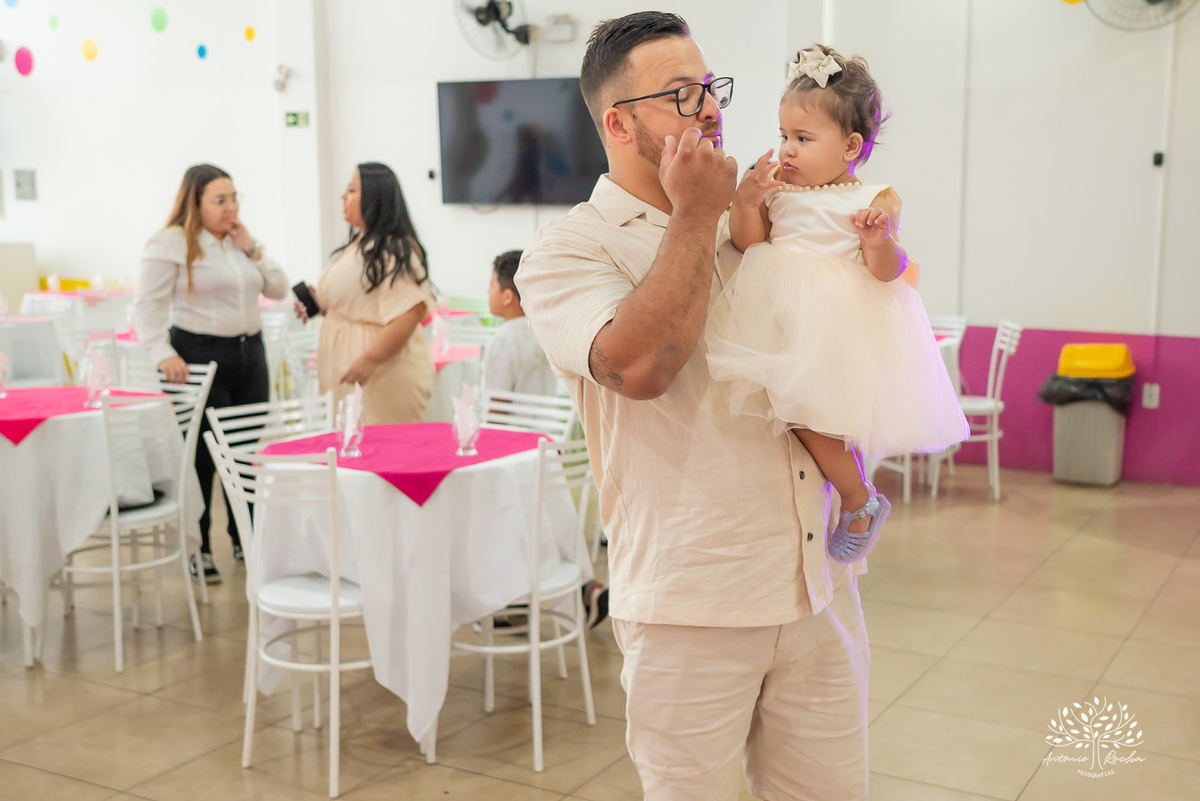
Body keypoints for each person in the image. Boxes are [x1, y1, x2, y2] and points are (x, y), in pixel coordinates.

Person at [515, 13, 871, 800]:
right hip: (692, 604)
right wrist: (694, 214)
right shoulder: (571, 250)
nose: (710, 108)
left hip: (817, 589)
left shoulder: (761, 217)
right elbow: (640, 366)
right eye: (682, 95)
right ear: (618, 121)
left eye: (710, 87)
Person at [706, 45, 969, 563]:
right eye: (784, 136)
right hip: (779, 317)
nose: (787, 150)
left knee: (804, 411)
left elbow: (890, 271)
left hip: (833, 325)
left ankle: (858, 497)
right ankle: (855, 496)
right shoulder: (780, 191)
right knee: (797, 410)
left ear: (850, 145)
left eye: (803, 139)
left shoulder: (873, 199)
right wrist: (747, 200)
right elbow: (749, 243)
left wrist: (877, 242)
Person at [134, 164, 289, 584]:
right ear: (195, 203)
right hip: (199, 354)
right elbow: (145, 308)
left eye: (234, 198)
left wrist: (252, 246)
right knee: (204, 456)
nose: (230, 207)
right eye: (219, 200)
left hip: (248, 353)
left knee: (245, 451)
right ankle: (198, 547)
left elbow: (278, 288)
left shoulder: (237, 243)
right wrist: (161, 352)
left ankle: (246, 537)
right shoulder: (171, 243)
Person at [295, 163, 435, 423]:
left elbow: (409, 313)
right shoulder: (361, 242)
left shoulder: (397, 248)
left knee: (382, 449)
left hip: (381, 374)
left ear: (375, 197)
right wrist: (321, 306)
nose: (342, 197)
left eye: (351, 190)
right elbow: (360, 301)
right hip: (350, 370)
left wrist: (369, 360)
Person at [481, 249, 558, 397]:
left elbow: (496, 405)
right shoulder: (545, 334)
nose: (487, 292)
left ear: (507, 297)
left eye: (491, 286)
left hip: (511, 420)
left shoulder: (502, 341)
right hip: (545, 419)